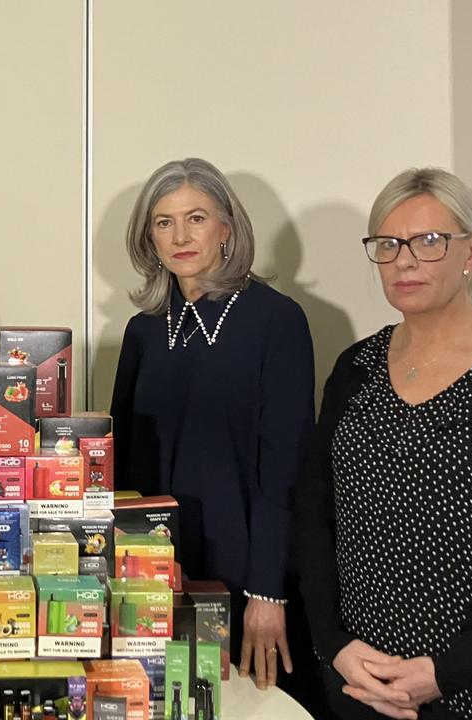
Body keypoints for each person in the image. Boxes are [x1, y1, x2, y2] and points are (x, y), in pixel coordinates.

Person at [296, 167, 472, 719]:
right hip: (363, 679)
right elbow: (316, 515)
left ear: (471, 252)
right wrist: (334, 644)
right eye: (388, 244)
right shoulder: (355, 368)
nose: (405, 260)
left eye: (429, 241)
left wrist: (447, 670)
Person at [111, 158, 318, 696]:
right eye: (163, 221)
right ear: (148, 237)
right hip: (155, 575)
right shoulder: (143, 332)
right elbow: (124, 472)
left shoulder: (277, 321)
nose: (180, 235)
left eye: (196, 218)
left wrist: (268, 594)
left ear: (227, 227)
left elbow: (287, 470)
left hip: (250, 580)